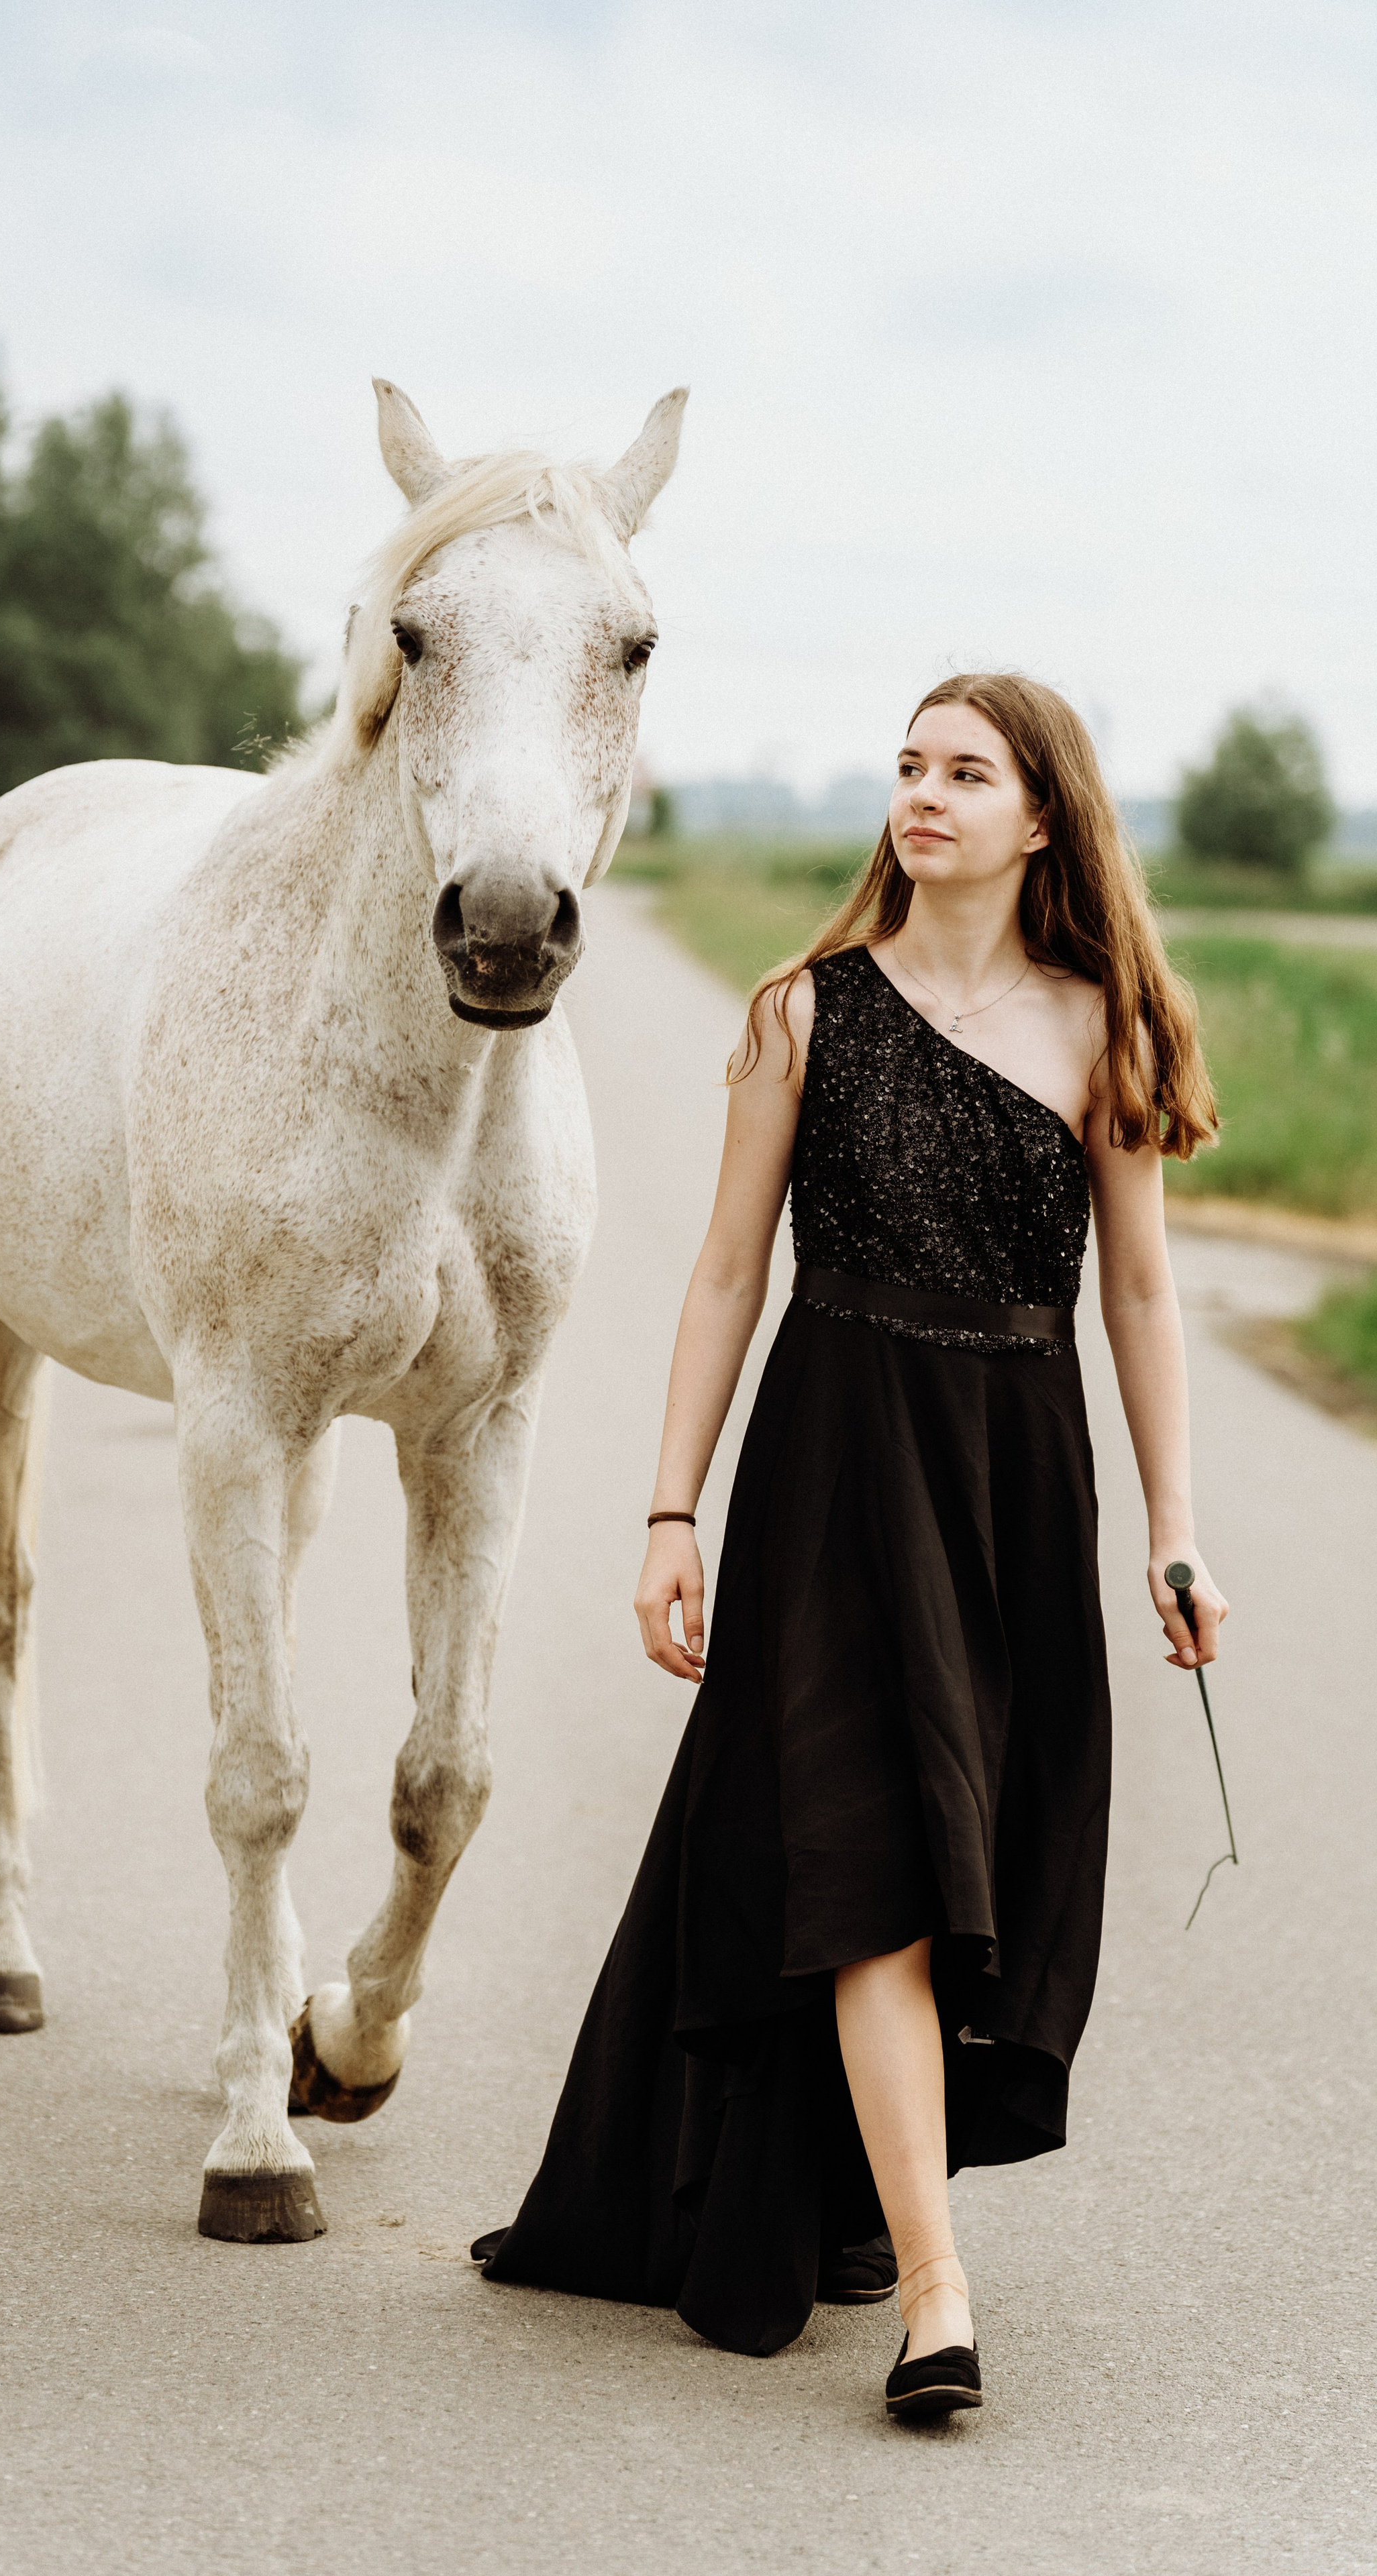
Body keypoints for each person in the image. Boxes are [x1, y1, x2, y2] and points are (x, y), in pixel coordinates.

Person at [472, 672, 1227, 2422]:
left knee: (975, 1861)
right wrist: (671, 1508)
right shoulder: (802, 1013)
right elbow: (728, 1273)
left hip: (1018, 1477)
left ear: (1045, 819)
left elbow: (1141, 1292)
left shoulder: (1102, 1028)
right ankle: (938, 2293)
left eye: (969, 772)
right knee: (873, 1865)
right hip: (830, 1463)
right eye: (909, 766)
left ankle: (868, 2215)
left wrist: (1175, 1535)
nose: (927, 795)